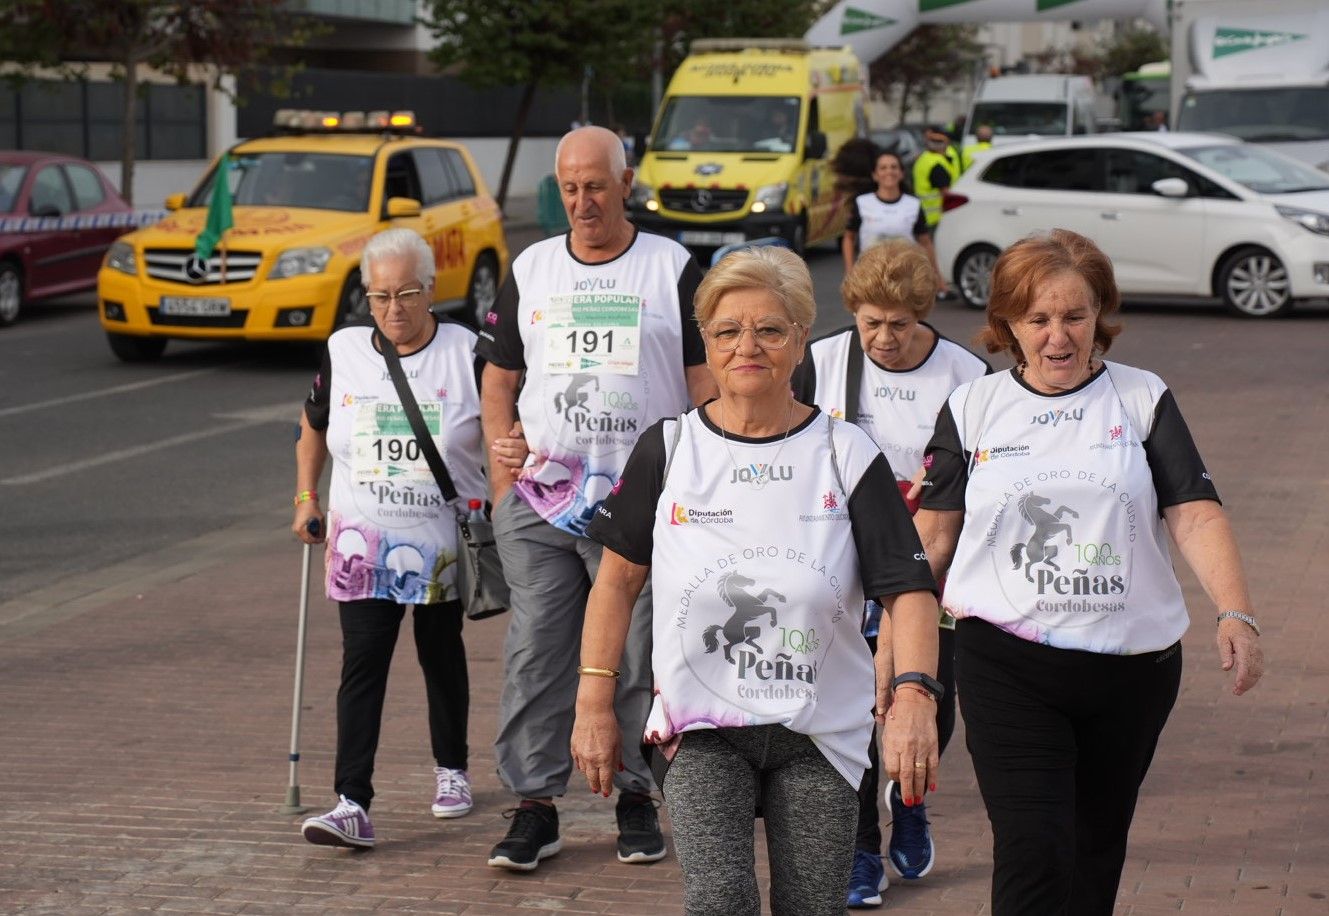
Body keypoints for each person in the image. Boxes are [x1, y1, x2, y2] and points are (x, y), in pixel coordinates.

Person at [571, 245, 942, 916]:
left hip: (820, 730)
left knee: (812, 906)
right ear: (706, 345)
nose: (747, 346)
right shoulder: (668, 448)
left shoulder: (845, 452)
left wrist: (915, 696)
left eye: (769, 329)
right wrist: (593, 702)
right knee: (719, 902)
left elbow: (908, 591)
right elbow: (616, 584)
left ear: (799, 341)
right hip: (700, 727)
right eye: (727, 331)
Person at [914, 229, 1265, 915]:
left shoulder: (1140, 397)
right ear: (1007, 324)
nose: (1058, 336)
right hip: (1006, 663)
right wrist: (883, 636)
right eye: (1037, 319)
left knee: (1093, 849)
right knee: (1034, 847)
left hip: (1131, 671)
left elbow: (1193, 514)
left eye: (1074, 316)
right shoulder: (973, 407)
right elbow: (933, 534)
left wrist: (1235, 613)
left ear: (1098, 314)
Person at [476, 125, 716, 871]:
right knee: (536, 652)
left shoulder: (672, 268)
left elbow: (703, 380)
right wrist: (501, 476)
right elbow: (498, 378)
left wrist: (703, 477)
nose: (583, 203)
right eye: (571, 189)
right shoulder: (533, 267)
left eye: (597, 187)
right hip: (542, 500)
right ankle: (534, 805)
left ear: (626, 183)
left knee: (636, 656)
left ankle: (636, 797)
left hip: (639, 504)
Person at [292, 227, 525, 849]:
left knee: (440, 654)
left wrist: (509, 488)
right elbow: (312, 424)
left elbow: (510, 423)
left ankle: (452, 769)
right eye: (380, 295)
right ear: (366, 296)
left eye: (407, 293)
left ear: (431, 289)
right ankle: (351, 801)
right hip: (362, 544)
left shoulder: (468, 351)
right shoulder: (343, 350)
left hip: (443, 544)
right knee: (362, 665)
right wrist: (306, 497)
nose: (393, 308)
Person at [792, 239, 990, 907]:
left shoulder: (965, 374)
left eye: (899, 325)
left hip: (936, 563)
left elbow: (984, 473)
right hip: (839, 565)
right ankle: (858, 850)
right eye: (870, 322)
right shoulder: (821, 362)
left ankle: (909, 796)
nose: (883, 339)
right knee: (851, 710)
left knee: (931, 699)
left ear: (922, 313)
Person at [841, 150, 947, 297]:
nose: (889, 171)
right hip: (870, 277)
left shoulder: (913, 204)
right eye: (883, 168)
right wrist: (849, 271)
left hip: (905, 278)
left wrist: (936, 275)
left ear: (901, 173)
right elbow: (849, 238)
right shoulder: (862, 203)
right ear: (875, 175)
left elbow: (925, 242)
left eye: (894, 167)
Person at [911, 126, 959, 296]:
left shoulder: (923, 159)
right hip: (935, 216)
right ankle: (939, 287)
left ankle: (931, 285)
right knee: (932, 254)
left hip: (924, 213)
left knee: (924, 254)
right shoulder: (937, 164)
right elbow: (945, 193)